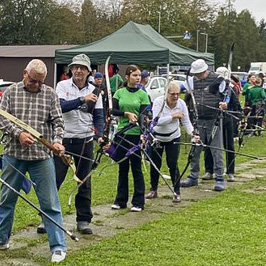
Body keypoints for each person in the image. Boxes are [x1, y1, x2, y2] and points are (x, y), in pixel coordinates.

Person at [0, 59, 68, 263]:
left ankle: (58, 247)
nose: (37, 85)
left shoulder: (50, 94)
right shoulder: (11, 92)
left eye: (41, 82)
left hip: (41, 157)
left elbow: (58, 122)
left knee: (50, 203)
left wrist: (57, 142)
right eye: (33, 81)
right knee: (7, 200)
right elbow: (0, 118)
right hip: (13, 155)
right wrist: (18, 133)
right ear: (24, 74)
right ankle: (0, 240)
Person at [53, 54, 104, 234]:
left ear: (89, 71)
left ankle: (83, 220)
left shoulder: (95, 91)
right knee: (54, 180)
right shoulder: (62, 86)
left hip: (85, 141)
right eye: (75, 67)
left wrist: (100, 136)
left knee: (84, 182)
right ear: (71, 70)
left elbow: (98, 117)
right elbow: (60, 107)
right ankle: (48, 219)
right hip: (63, 141)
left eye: (82, 68)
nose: (78, 71)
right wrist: (82, 99)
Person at [180, 59, 227, 191]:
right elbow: (182, 91)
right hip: (198, 118)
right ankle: (193, 176)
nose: (197, 76)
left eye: (198, 73)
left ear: (204, 70)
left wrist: (225, 104)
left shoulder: (218, 80)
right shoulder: (191, 81)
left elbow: (227, 95)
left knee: (216, 149)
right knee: (195, 148)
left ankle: (219, 178)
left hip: (214, 118)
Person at [110, 65, 150, 210]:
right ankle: (120, 200)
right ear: (127, 77)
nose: (138, 78)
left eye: (139, 75)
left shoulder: (143, 94)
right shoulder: (119, 93)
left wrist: (143, 134)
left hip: (135, 135)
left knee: (136, 168)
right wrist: (125, 114)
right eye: (134, 75)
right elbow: (113, 110)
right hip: (122, 133)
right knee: (123, 167)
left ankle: (138, 202)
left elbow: (145, 115)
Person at [145, 81, 193, 201]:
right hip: (157, 137)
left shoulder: (181, 104)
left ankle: (176, 191)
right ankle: (153, 189)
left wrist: (193, 134)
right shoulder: (158, 102)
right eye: (172, 94)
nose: (176, 96)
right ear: (167, 93)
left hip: (173, 137)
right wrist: (173, 116)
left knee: (172, 164)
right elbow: (156, 121)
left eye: (178, 93)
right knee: (155, 164)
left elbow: (186, 121)